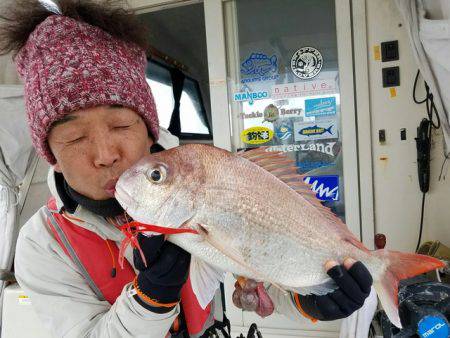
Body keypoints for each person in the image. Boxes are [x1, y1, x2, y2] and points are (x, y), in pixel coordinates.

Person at [0, 0, 373, 337]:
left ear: (149, 132)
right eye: (75, 137)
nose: (105, 154)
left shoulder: (195, 184)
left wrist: (310, 301)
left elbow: (261, 261)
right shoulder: (42, 244)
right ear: (49, 151)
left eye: (120, 126)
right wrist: (151, 299)